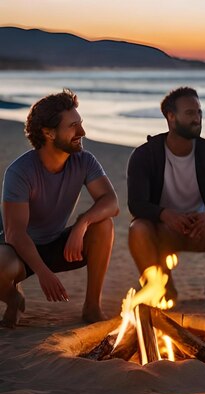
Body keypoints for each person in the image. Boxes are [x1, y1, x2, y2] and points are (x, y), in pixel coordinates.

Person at [0, 89, 119, 328]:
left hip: (58, 244)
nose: (82, 132)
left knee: (103, 224)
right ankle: (13, 299)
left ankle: (92, 307)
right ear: (48, 132)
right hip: (19, 250)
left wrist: (82, 223)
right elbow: (15, 234)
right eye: (73, 126)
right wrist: (43, 273)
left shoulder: (84, 161)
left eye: (81, 124)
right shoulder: (20, 172)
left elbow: (111, 202)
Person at [127, 87, 205, 306]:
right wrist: (165, 215)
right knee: (137, 229)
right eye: (190, 113)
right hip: (163, 230)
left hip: (201, 228)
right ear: (171, 116)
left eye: (199, 112)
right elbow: (136, 204)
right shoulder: (145, 155)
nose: (197, 119)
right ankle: (164, 289)